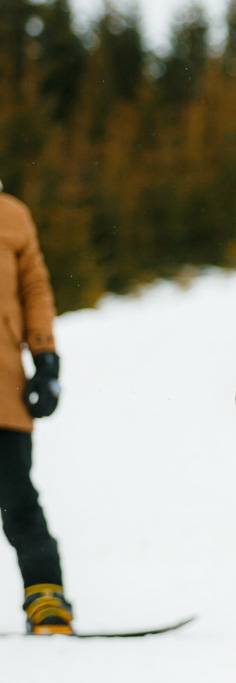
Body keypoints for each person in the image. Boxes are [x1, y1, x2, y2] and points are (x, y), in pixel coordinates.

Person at [0, 182, 70, 635]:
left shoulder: (13, 216)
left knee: (19, 498)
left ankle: (46, 599)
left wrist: (45, 359)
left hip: (4, 384)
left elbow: (35, 289)